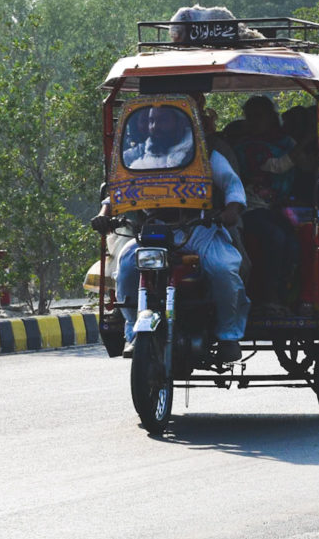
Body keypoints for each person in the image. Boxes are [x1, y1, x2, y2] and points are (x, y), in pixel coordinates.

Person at [93, 103, 249, 363]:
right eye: (151, 121)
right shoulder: (135, 155)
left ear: (181, 123)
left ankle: (228, 336)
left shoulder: (207, 154)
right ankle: (132, 332)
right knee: (127, 268)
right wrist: (104, 213)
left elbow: (232, 185)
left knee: (223, 270)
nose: (154, 127)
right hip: (153, 231)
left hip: (198, 229)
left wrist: (231, 209)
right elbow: (116, 191)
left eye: (163, 121)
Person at [233, 95, 301, 314]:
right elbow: (276, 166)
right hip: (247, 208)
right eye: (250, 117)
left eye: (259, 117)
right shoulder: (245, 146)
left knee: (293, 241)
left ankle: (286, 295)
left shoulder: (283, 141)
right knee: (275, 237)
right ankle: (267, 297)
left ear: (271, 118)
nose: (254, 122)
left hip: (274, 208)